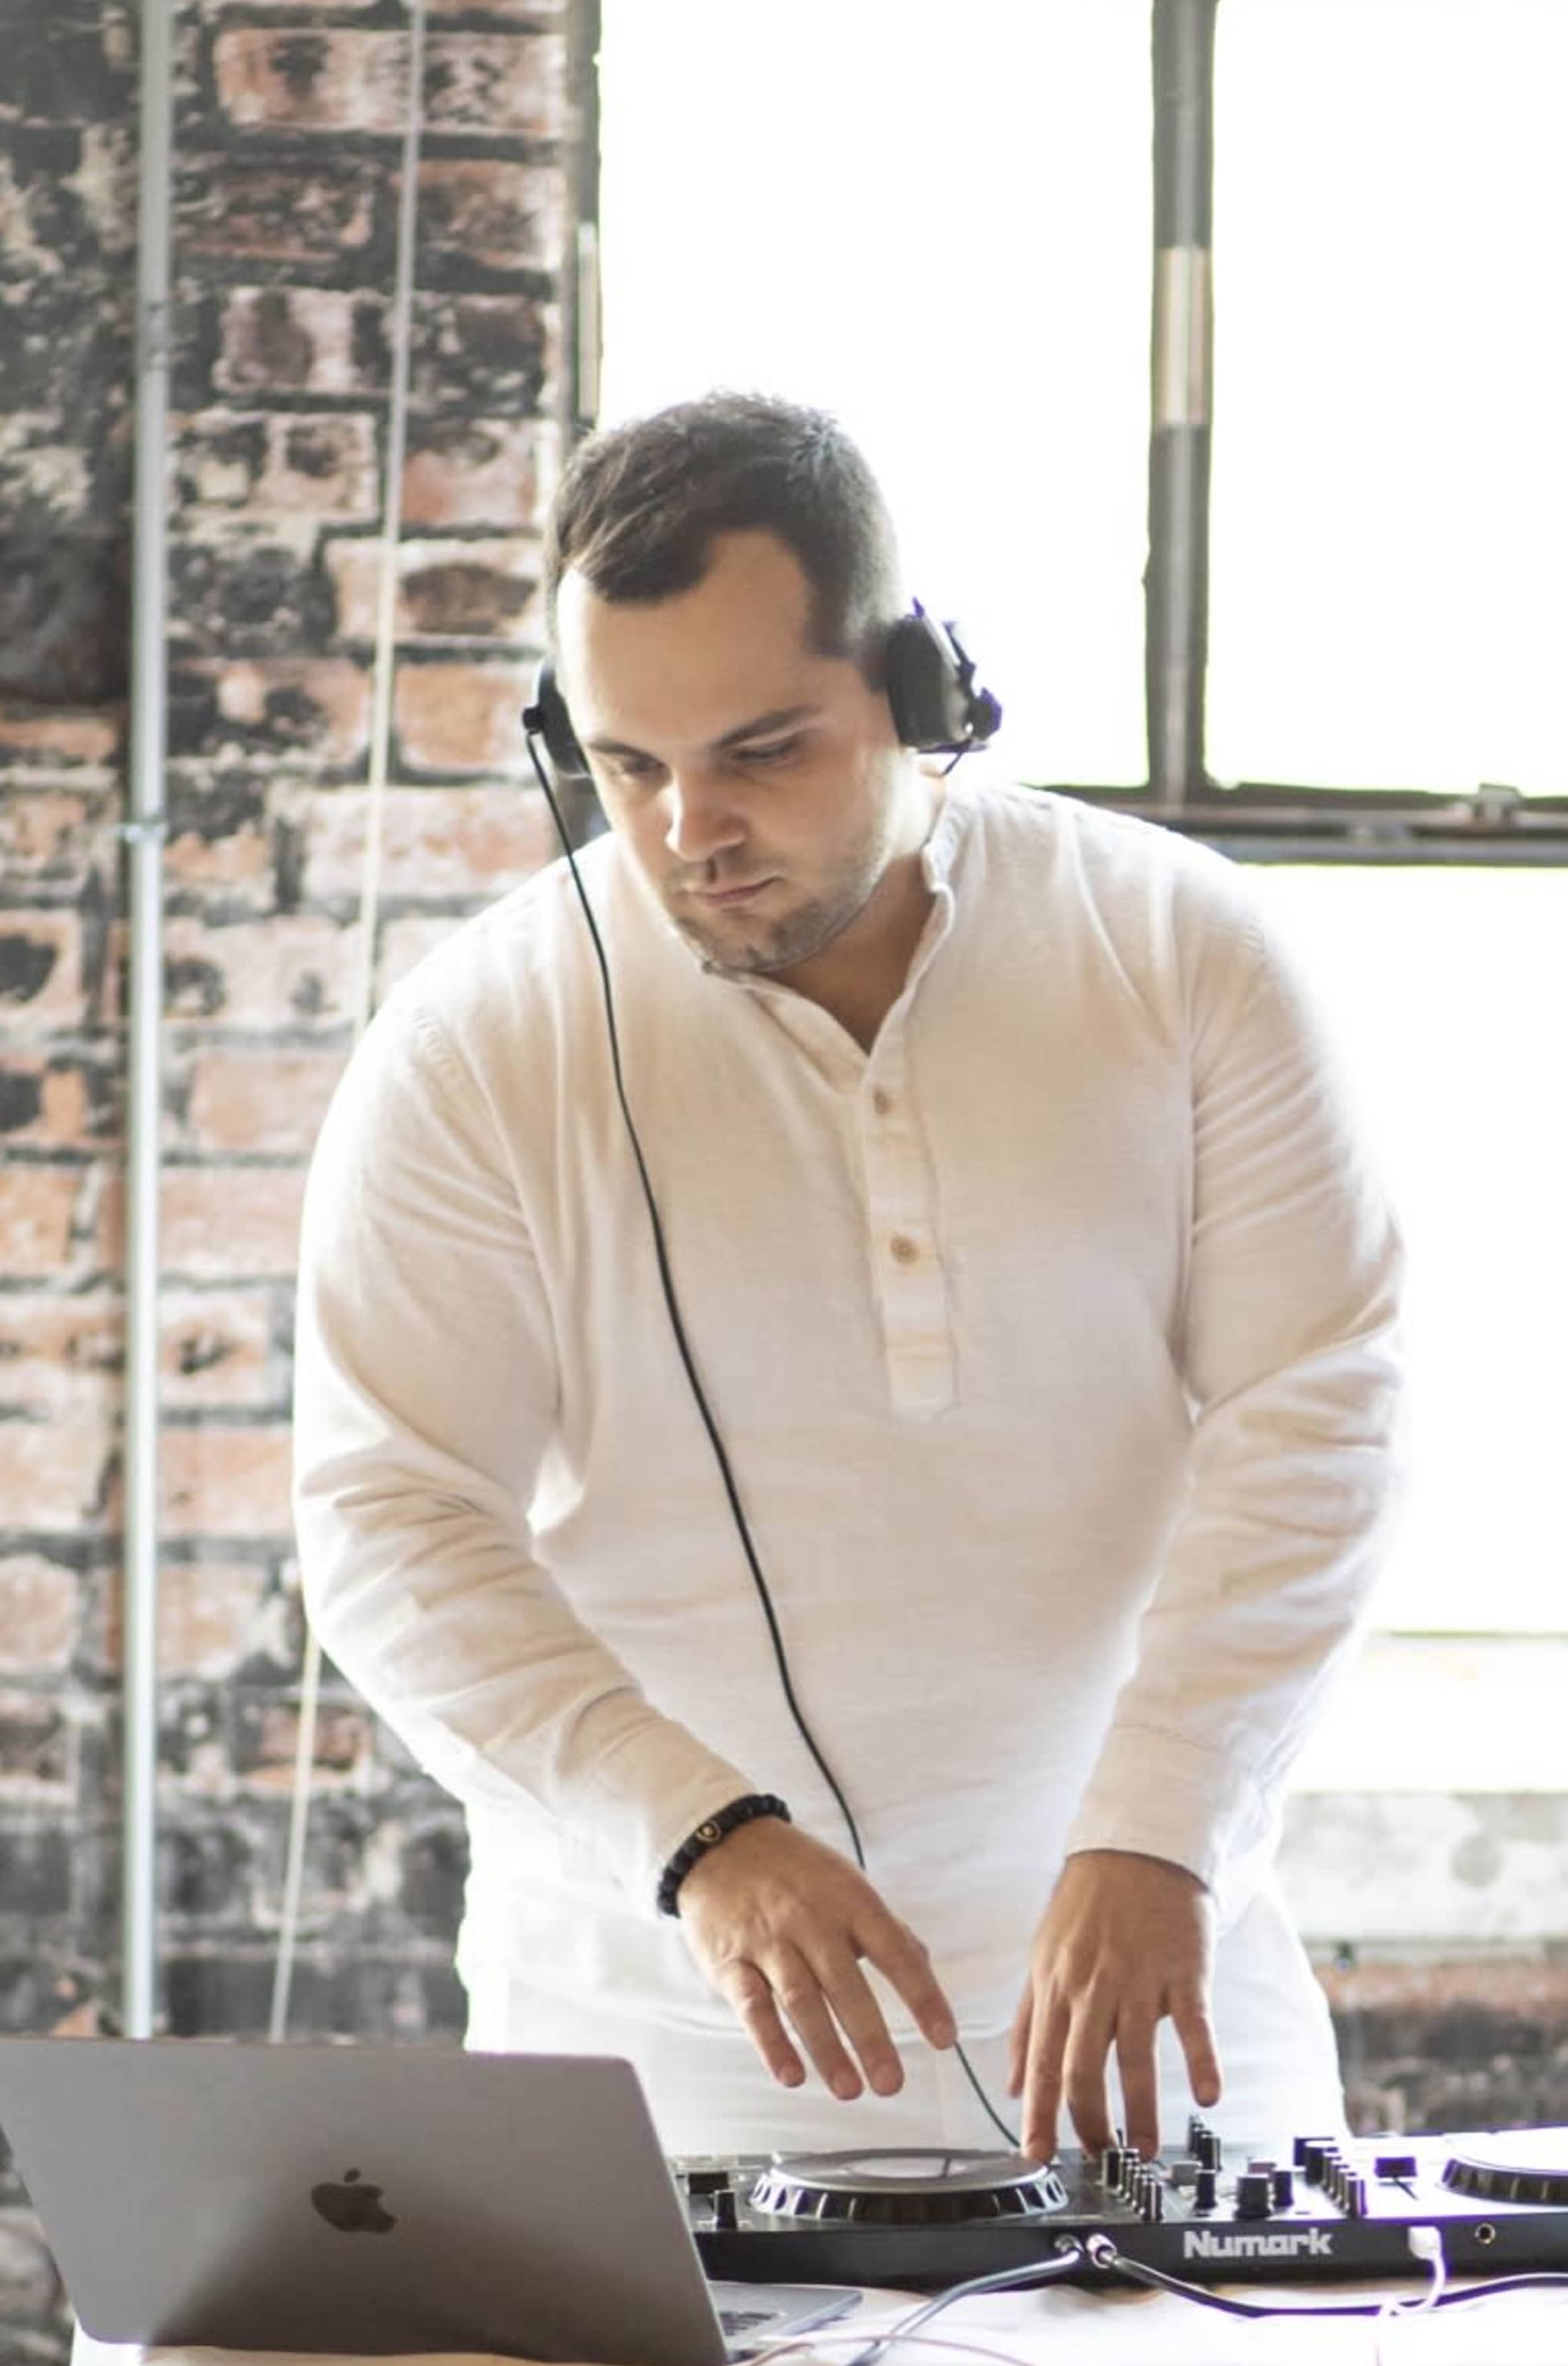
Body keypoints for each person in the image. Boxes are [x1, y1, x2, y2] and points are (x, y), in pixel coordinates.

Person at [291, 393, 1405, 2174]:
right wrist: (699, 1838)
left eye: (761, 752)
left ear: (920, 691)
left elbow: (1319, 1411)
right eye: (628, 766)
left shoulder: (1187, 953)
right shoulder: (468, 1050)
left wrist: (1167, 1823)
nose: (687, 835)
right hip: (660, 2042)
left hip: (1156, 1997)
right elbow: (394, 1521)